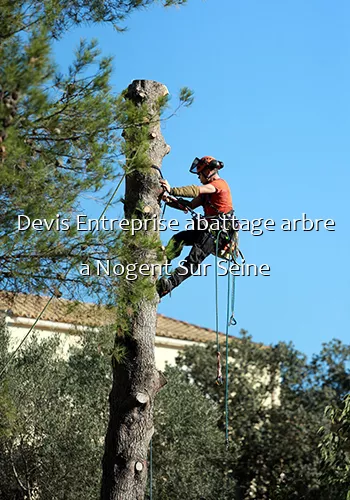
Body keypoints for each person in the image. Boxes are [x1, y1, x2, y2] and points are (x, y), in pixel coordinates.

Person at [157, 155, 234, 297]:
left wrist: (172, 189)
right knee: (178, 238)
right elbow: (190, 205)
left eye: (200, 174)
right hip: (207, 230)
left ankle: (169, 285)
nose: (199, 177)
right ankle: (162, 259)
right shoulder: (207, 193)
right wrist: (169, 200)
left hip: (217, 233)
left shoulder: (218, 185)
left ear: (208, 172)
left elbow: (195, 190)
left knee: (193, 259)